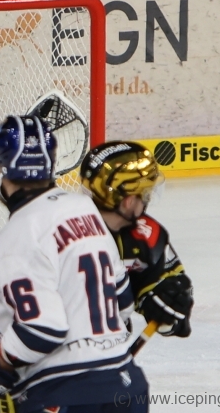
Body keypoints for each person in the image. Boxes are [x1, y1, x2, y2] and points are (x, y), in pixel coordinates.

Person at [0, 115, 148, 413]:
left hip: (61, 395)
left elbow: (43, 330)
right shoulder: (85, 209)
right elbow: (123, 301)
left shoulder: (16, 236)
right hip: (126, 385)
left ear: (0, 170)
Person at [80, 141, 193, 338]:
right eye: (145, 193)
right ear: (128, 201)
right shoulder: (71, 237)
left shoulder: (147, 235)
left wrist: (166, 307)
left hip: (109, 344)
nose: (147, 199)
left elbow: (170, 283)